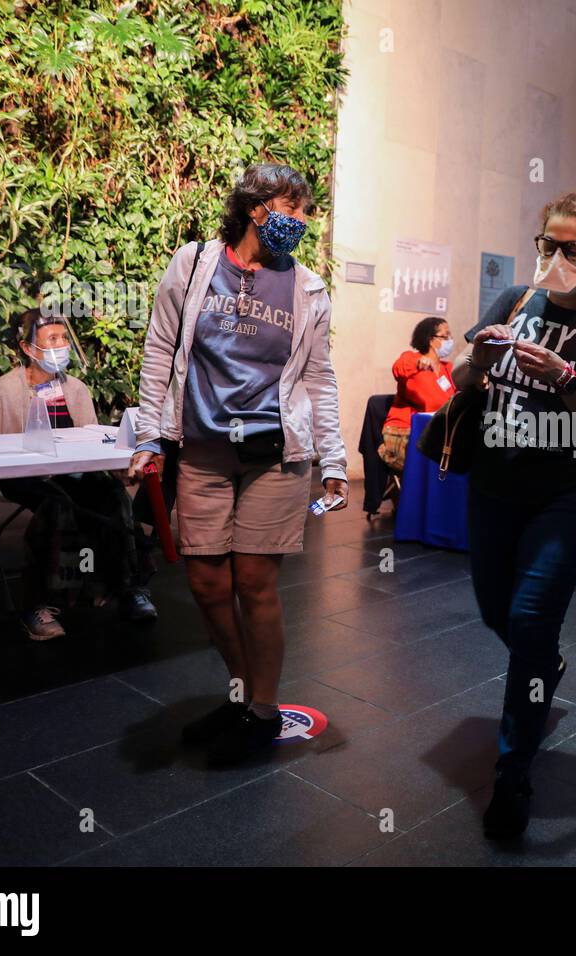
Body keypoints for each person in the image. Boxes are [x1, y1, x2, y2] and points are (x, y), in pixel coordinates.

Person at [128, 162, 348, 765]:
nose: (301, 222)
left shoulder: (306, 288)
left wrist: (334, 458)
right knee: (204, 581)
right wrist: (148, 439)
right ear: (257, 209)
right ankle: (242, 690)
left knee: (254, 582)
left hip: (275, 455)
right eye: (294, 208)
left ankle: (263, 709)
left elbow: (318, 378)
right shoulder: (195, 265)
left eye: (304, 211)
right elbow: (160, 351)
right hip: (201, 448)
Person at [455, 191, 576, 839]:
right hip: (494, 484)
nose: (557, 258)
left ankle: (514, 772)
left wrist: (566, 379)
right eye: (547, 245)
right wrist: (481, 357)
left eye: (573, 248)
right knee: (493, 610)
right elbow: (461, 376)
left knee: (532, 623)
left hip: (567, 495)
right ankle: (541, 664)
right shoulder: (514, 301)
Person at [0, 309, 157, 640]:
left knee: (113, 495)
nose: (61, 345)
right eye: (52, 339)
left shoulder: (76, 389)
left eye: (64, 338)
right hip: (24, 475)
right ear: (27, 348)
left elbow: (90, 441)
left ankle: (126, 588)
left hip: (70, 473)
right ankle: (35, 604)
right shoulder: (3, 391)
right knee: (58, 505)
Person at [379, 316, 456, 473]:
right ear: (430, 339)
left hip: (440, 432)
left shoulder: (448, 368)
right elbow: (397, 369)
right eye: (445, 336)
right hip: (407, 433)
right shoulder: (410, 358)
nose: (450, 340)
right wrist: (418, 363)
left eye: (450, 336)